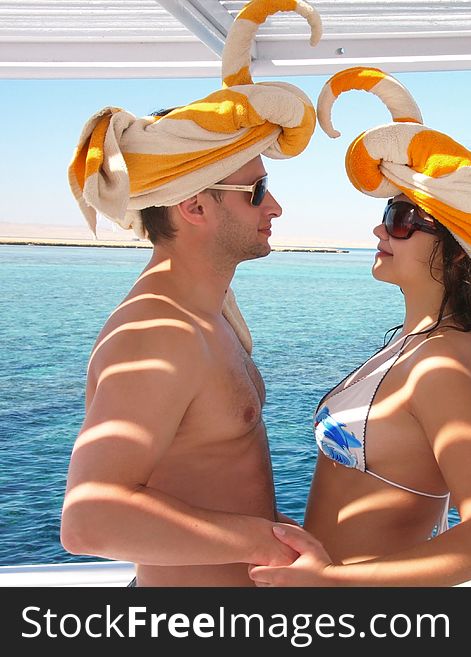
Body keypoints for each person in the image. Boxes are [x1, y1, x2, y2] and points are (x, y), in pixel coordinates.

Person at [249, 68, 471, 586]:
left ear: (460, 252)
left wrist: (329, 582)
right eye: (392, 212)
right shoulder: (417, 345)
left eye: (404, 217)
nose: (381, 227)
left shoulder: (442, 363)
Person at [60, 0, 322, 587]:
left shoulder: (209, 314)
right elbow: (88, 518)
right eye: (256, 191)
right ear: (194, 206)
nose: (274, 206)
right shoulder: (158, 334)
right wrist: (267, 544)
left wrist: (272, 533)